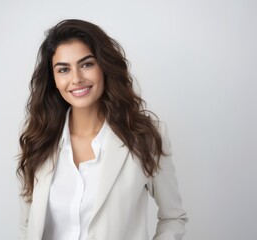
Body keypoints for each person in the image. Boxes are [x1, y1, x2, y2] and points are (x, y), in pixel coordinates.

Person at [17, 19, 188, 240]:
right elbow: (27, 225)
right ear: (54, 80)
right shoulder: (37, 138)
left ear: (104, 67)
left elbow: (173, 217)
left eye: (87, 64)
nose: (76, 79)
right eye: (63, 69)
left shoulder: (144, 136)